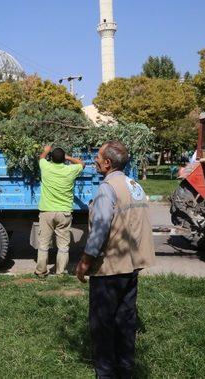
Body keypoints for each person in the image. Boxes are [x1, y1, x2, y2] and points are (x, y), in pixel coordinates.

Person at [75, 140, 156, 379]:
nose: (95, 161)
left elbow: (99, 229)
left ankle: (106, 373)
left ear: (108, 163)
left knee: (102, 325)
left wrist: (85, 263)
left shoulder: (107, 188)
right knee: (125, 320)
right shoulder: (134, 185)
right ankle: (125, 369)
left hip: (109, 270)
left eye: (98, 157)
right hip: (131, 266)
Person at [35, 145, 85, 277]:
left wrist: (46, 150)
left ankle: (41, 271)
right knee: (63, 246)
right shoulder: (70, 170)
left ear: (51, 158)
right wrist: (68, 157)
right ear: (64, 159)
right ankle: (61, 273)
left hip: (47, 212)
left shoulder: (46, 167)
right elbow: (82, 164)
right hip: (64, 212)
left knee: (44, 244)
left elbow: (41, 157)